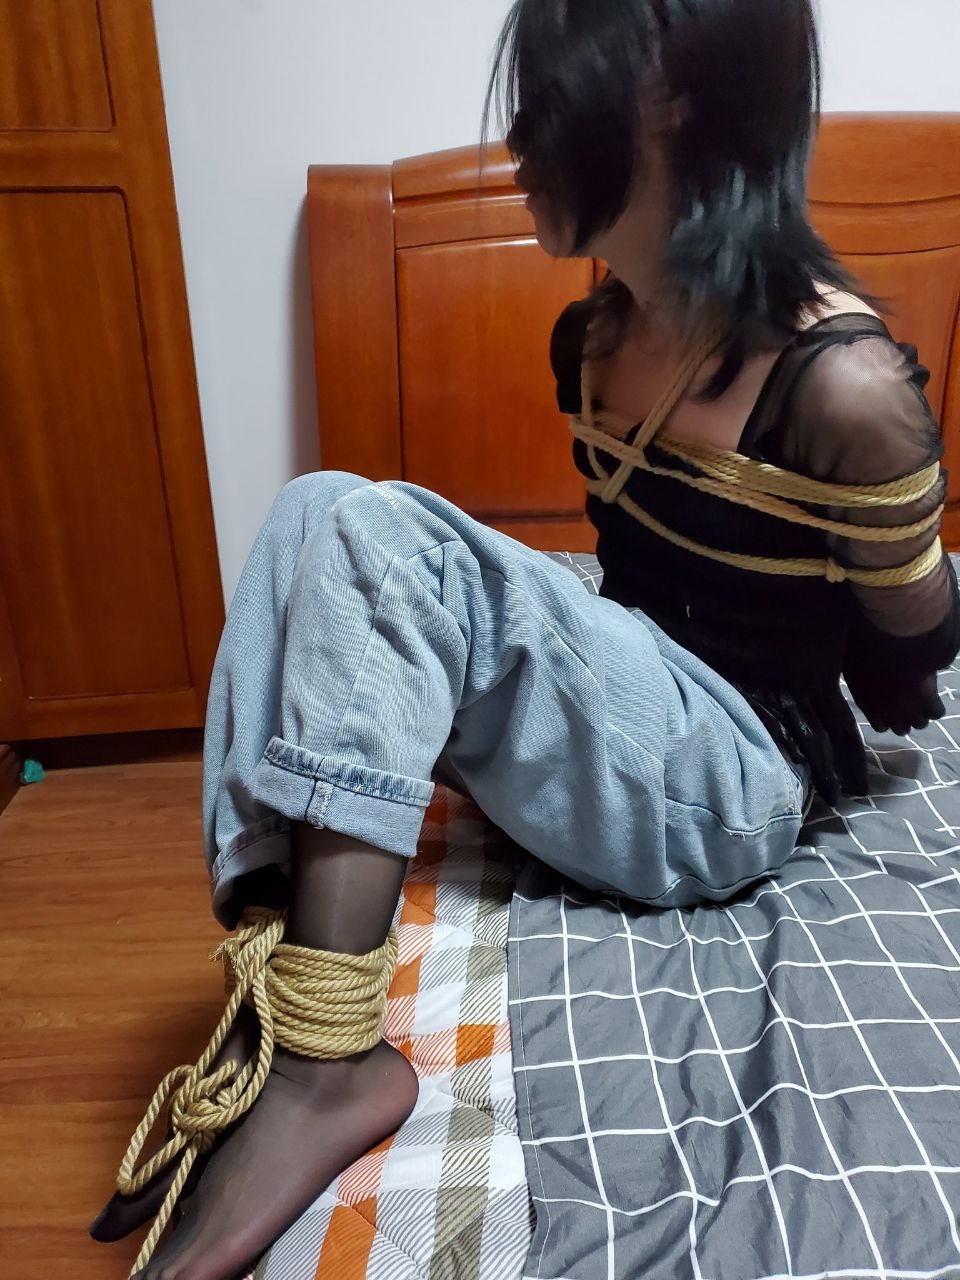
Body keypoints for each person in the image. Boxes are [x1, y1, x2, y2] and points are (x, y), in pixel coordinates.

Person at [91, 2, 960, 1277]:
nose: (517, 141)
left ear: (672, 98)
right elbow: (631, 593)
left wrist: (898, 543)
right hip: (636, 717)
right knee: (314, 510)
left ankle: (333, 1069)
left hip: (739, 774)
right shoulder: (599, 339)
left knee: (389, 542)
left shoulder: (846, 386)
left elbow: (911, 664)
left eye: (550, 98)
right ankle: (288, 977)